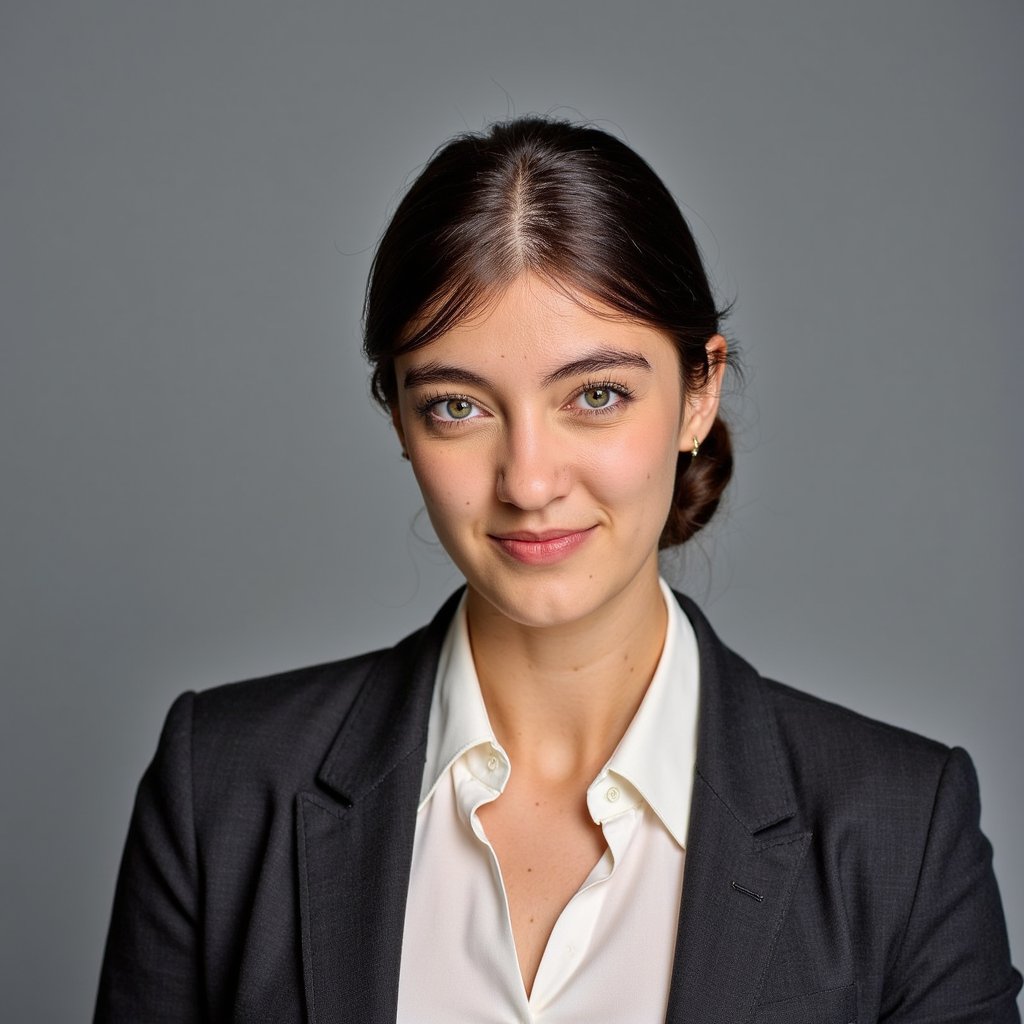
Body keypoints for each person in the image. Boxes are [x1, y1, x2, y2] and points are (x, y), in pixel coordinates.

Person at [94, 117, 1021, 1023]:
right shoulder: (219, 786)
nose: (529, 482)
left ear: (701, 392)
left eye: (597, 395)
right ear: (399, 421)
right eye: (458, 406)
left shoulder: (903, 832)